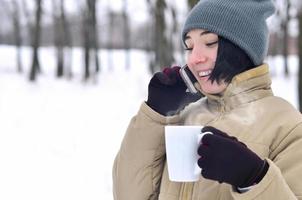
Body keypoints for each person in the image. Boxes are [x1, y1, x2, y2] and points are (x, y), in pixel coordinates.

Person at [112, 0, 302, 199]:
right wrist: (155, 114)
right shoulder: (185, 115)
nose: (194, 58)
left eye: (210, 43)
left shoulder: (288, 126)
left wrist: (254, 178)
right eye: (189, 46)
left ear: (243, 48)